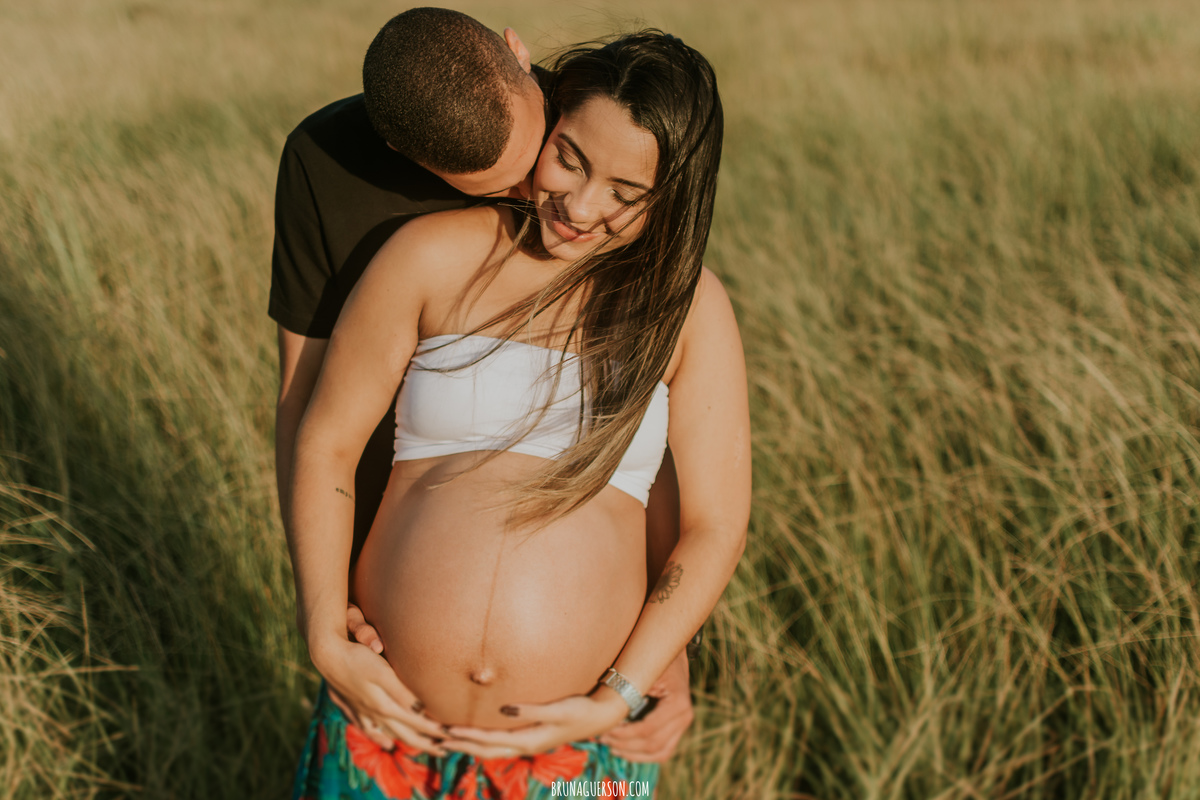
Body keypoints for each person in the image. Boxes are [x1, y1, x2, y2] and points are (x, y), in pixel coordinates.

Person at [287, 29, 750, 799]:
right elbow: (326, 443)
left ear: (671, 200)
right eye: (569, 157)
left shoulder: (690, 312)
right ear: (550, 119)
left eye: (626, 194)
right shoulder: (430, 255)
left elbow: (712, 526)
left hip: (571, 748)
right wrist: (323, 630)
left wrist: (618, 697)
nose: (579, 204)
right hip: (387, 723)